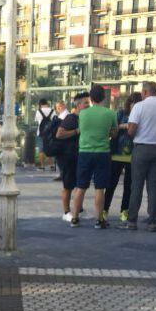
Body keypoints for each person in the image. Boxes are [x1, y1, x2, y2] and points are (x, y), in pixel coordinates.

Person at [119, 81, 156, 232]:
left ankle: (132, 221)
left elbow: (131, 131)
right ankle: (152, 221)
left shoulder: (139, 106)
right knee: (153, 185)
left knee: (136, 185)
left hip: (141, 149)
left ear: (144, 92)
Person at [70, 85, 118, 229]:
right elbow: (114, 133)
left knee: (80, 187)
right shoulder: (110, 114)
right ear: (104, 97)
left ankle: (75, 218)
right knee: (99, 188)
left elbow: (82, 129)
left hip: (84, 152)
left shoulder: (82, 113)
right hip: (102, 153)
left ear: (90, 98)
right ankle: (99, 220)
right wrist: (107, 134)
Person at [104, 92, 141, 223]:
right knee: (110, 183)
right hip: (116, 153)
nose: (135, 107)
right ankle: (104, 209)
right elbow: (111, 128)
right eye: (133, 105)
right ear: (129, 104)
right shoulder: (121, 113)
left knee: (129, 186)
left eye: (138, 105)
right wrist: (123, 126)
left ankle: (124, 210)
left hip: (133, 154)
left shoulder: (141, 115)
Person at [55, 93, 89, 221]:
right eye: (86, 103)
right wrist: (76, 131)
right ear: (78, 105)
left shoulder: (84, 118)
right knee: (68, 186)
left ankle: (78, 210)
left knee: (79, 185)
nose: (88, 105)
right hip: (68, 157)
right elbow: (59, 134)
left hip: (79, 155)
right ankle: (66, 212)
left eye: (89, 102)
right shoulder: (71, 118)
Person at [35, 99, 54, 171]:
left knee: (41, 150)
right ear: (47, 103)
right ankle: (52, 166)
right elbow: (54, 120)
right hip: (50, 133)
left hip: (40, 133)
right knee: (49, 149)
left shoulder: (38, 111)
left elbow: (37, 121)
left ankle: (42, 166)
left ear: (40, 104)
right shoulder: (52, 111)